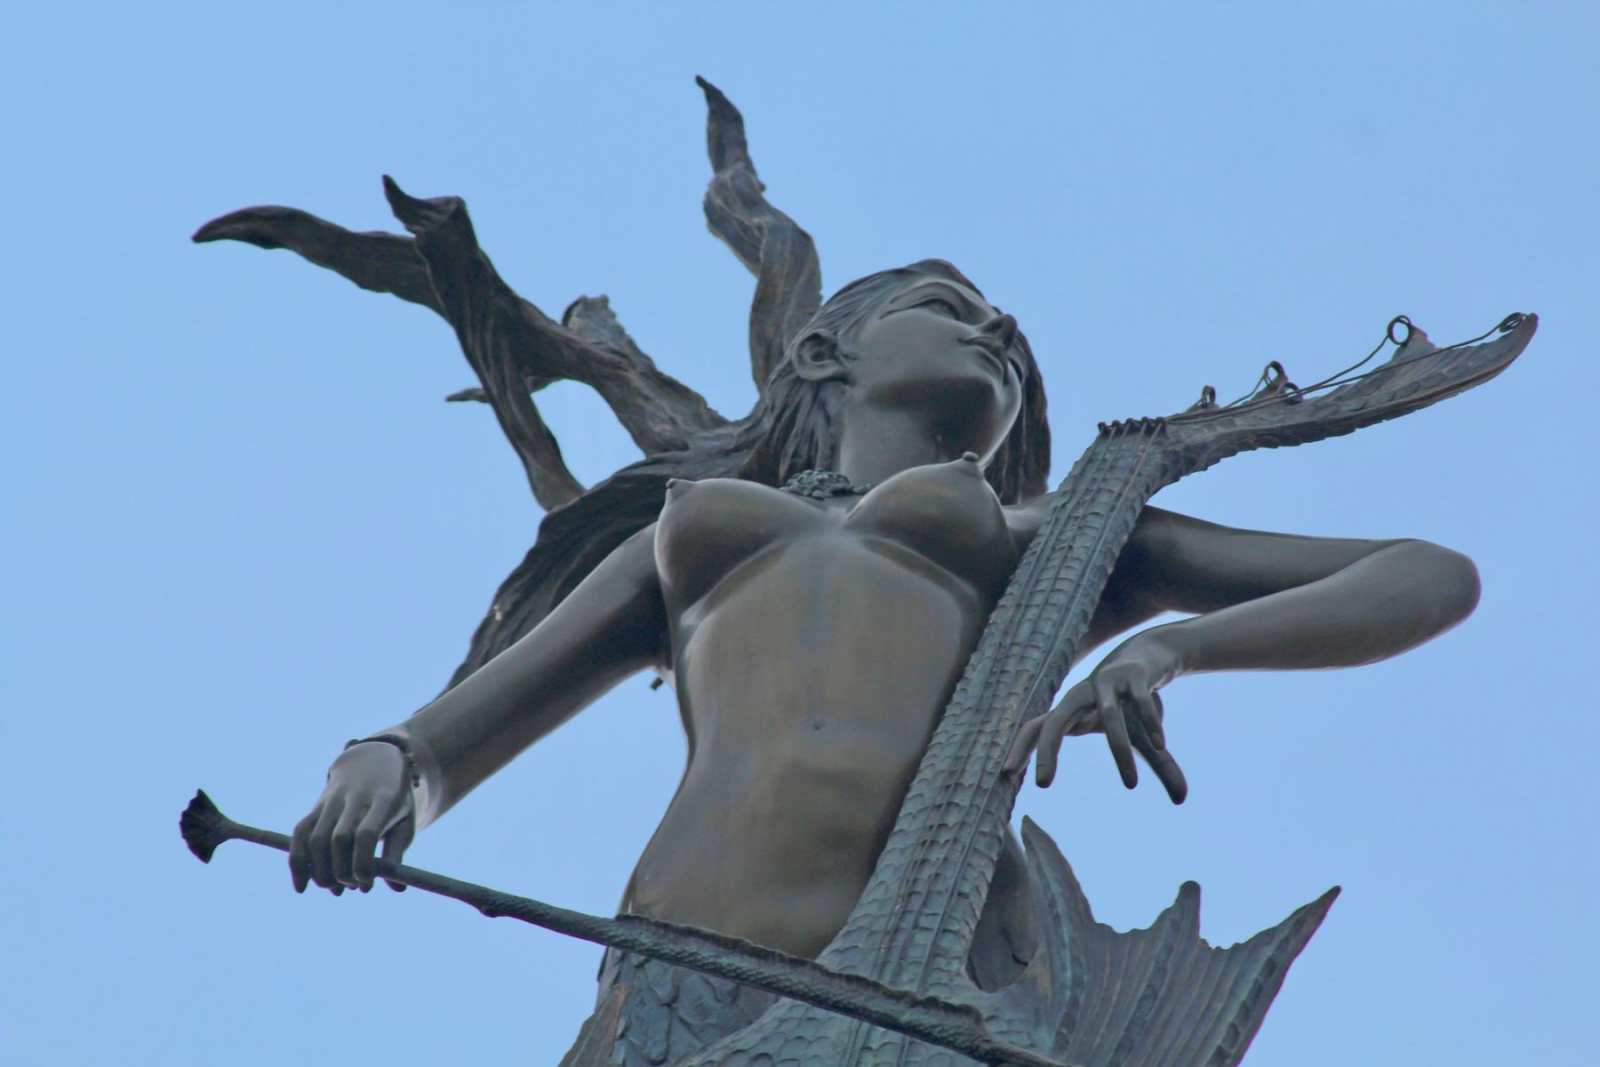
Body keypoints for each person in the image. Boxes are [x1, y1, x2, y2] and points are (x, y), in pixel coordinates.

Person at [287, 259, 1481, 1063]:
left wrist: (1177, 643)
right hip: (672, 972)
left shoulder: (1050, 539)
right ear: (821, 351)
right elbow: (452, 731)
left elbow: (1420, 572)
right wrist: (382, 760)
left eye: (1005, 329)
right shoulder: (689, 535)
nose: (997, 328)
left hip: (931, 981)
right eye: (950, 303)